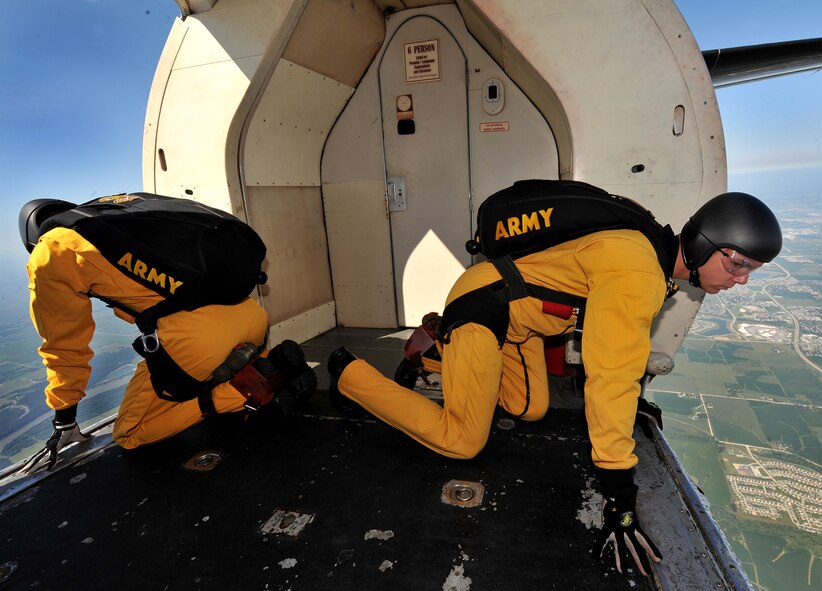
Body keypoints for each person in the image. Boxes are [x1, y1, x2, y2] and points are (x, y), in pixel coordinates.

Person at [327, 190, 782, 576]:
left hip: (517, 325)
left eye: (751, 270)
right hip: (483, 306)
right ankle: (349, 373)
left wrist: (630, 398)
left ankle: (435, 360)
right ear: (705, 243)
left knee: (530, 409)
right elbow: (611, 380)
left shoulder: (648, 255)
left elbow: (613, 350)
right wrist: (620, 497)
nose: (740, 279)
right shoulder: (639, 270)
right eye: (738, 263)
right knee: (462, 440)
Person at [18, 196, 315, 473]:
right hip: (251, 317)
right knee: (191, 368)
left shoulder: (51, 249)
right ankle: (271, 368)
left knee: (129, 433)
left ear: (33, 238)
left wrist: (64, 418)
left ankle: (239, 395)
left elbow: (64, 345)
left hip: (198, 341)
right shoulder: (118, 213)